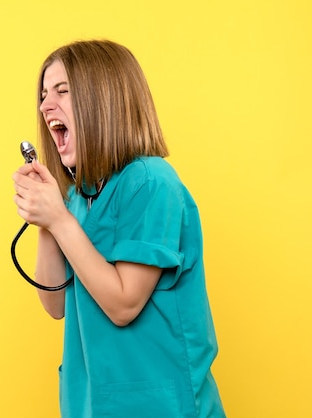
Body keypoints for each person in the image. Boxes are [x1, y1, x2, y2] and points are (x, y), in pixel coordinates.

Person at [12, 39, 226, 418]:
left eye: (63, 91)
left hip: (162, 407)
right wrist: (48, 216)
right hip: (94, 405)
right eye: (44, 94)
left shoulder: (151, 182)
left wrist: (59, 219)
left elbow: (125, 304)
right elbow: (55, 304)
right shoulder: (79, 196)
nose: (46, 106)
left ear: (104, 100)